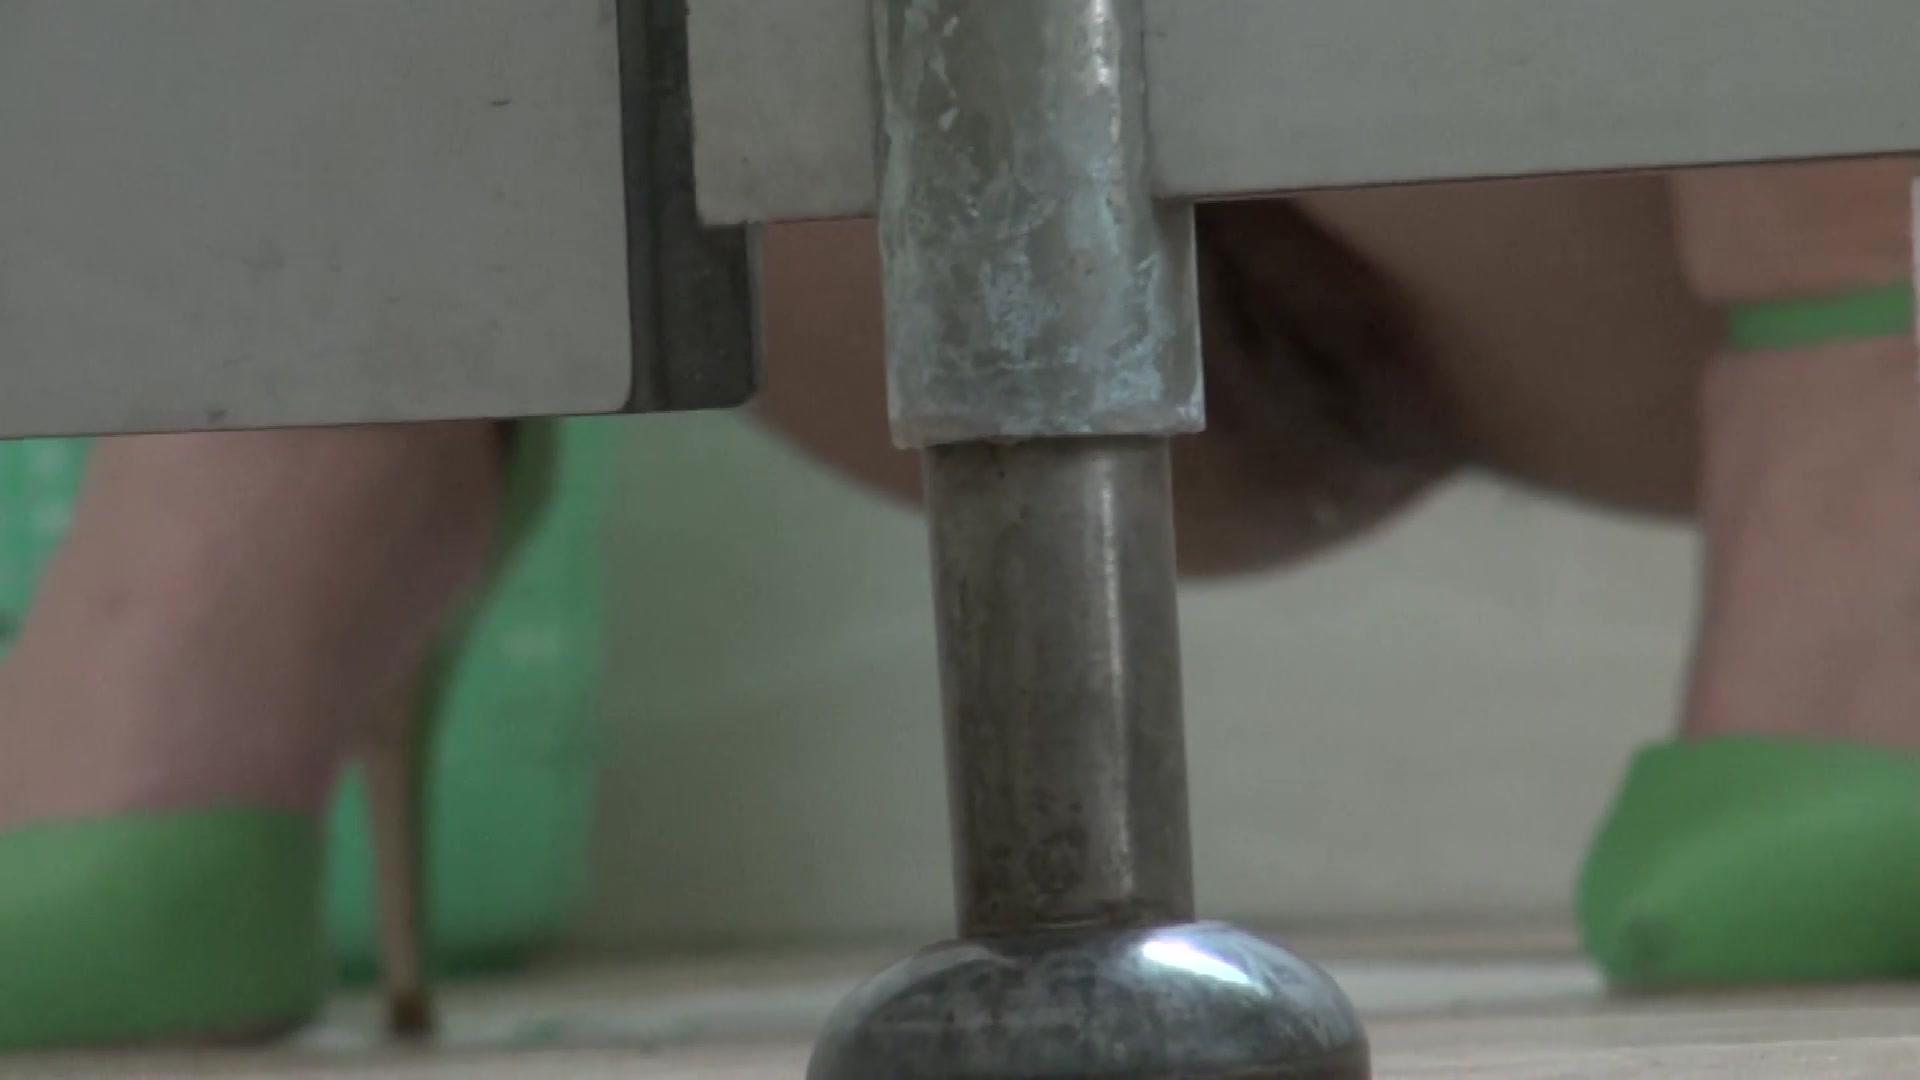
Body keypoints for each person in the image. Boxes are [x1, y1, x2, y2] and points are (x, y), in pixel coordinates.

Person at [1, 160, 1915, 1048]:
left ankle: (1859, 276)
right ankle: (304, 423)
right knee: (428, 148)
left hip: (1645, 179)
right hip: (905, 193)